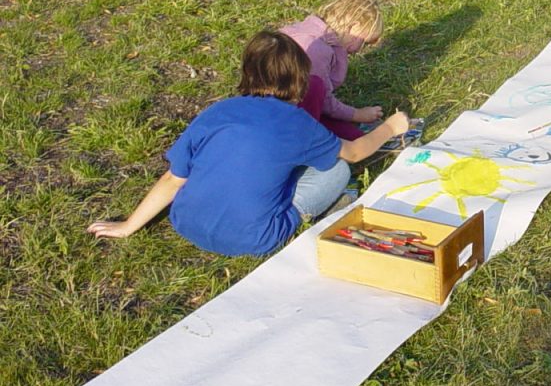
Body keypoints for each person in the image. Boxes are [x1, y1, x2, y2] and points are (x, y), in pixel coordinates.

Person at [86, 31, 410, 256]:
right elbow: (354, 152)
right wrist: (390, 127)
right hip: (255, 238)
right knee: (336, 171)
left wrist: (128, 225)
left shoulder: (217, 111)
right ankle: (301, 214)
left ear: (247, 72)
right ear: (300, 80)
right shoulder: (297, 122)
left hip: (185, 222)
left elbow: (172, 178)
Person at [281, 0, 384, 140]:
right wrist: (357, 114)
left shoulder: (302, 30)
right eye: (364, 42)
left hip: (271, 106)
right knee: (355, 138)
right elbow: (323, 100)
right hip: (289, 119)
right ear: (354, 27)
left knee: (349, 133)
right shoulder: (319, 50)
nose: (361, 49)